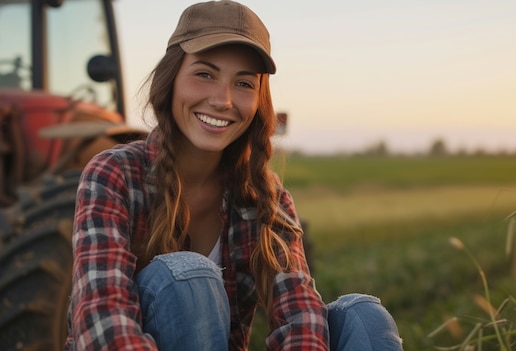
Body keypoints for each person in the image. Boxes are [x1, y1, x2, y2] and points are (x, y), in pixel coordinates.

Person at [64, 1, 403, 350]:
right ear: (172, 79)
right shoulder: (113, 174)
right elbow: (102, 321)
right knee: (187, 280)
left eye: (243, 83)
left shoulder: (265, 197)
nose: (223, 100)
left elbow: (299, 313)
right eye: (205, 74)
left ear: (259, 101)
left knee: (364, 316)